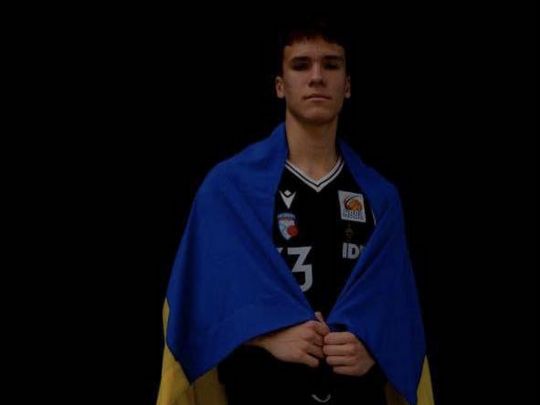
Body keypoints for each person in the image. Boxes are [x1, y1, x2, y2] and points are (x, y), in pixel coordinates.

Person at [157, 16, 435, 405]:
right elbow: (197, 310)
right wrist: (267, 335)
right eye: (301, 65)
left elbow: (400, 316)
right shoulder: (228, 189)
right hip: (259, 393)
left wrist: (374, 349)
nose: (317, 77)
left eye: (331, 65)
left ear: (347, 85)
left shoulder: (381, 198)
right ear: (280, 85)